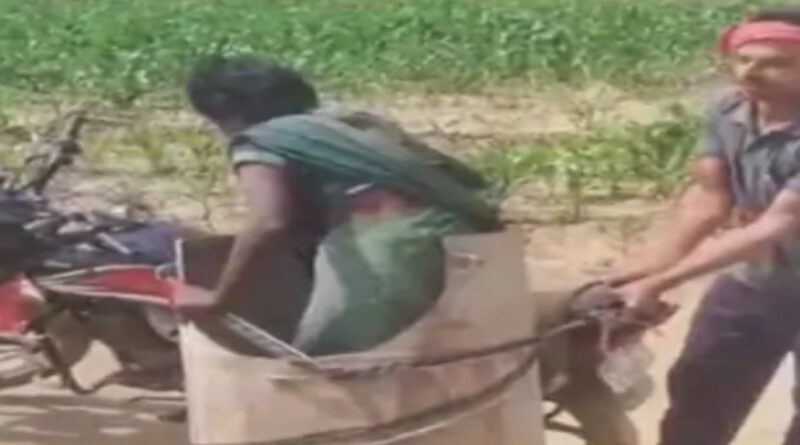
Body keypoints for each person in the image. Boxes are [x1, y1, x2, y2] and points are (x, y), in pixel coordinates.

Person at [176, 55, 499, 355]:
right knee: (446, 352)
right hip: (467, 235)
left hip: (392, 241)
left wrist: (220, 299)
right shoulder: (349, 122)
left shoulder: (262, 140)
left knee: (329, 357)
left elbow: (269, 221)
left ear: (228, 115)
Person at [610, 6, 800, 445]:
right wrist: (641, 271)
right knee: (702, 389)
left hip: (769, 250)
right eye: (744, 59)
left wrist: (662, 282)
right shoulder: (730, 110)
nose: (751, 72)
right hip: (759, 279)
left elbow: (774, 225)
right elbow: (708, 198)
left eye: (776, 63)